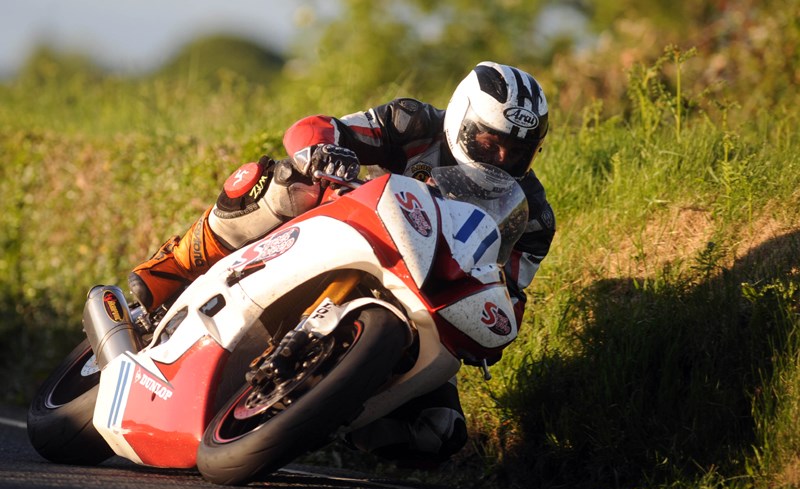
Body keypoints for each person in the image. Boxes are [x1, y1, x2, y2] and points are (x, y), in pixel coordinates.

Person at [128, 61, 556, 465]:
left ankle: (322, 416)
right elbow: (314, 128)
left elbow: (510, 292)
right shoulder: (412, 124)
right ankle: (172, 269)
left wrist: (491, 320)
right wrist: (320, 153)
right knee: (283, 182)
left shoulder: (533, 217)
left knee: (438, 433)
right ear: (462, 121)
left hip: (426, 295)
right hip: (355, 228)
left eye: (515, 152)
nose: (500, 159)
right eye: (488, 141)